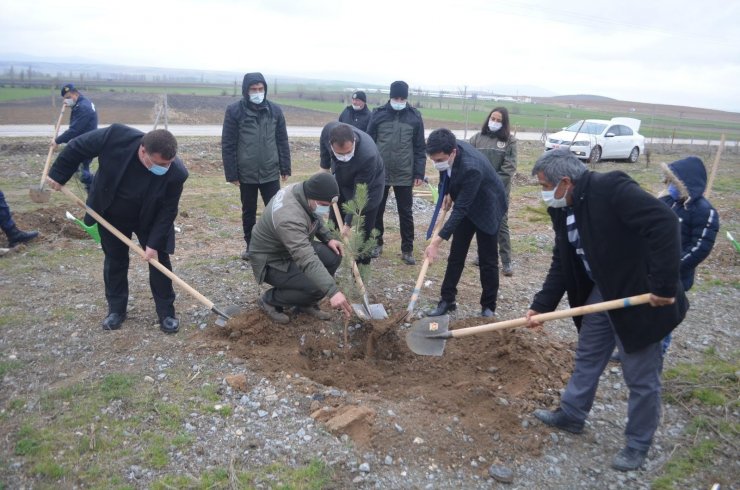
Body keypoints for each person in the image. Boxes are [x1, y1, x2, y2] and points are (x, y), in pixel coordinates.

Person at [526, 149, 688, 471]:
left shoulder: (610, 188)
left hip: (639, 293)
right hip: (604, 291)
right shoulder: (563, 209)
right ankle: (572, 415)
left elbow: (665, 222)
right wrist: (540, 306)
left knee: (640, 373)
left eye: (545, 184)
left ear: (566, 182)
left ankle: (638, 443)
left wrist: (663, 285)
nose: (543, 191)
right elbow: (563, 261)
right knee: (588, 352)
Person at [47, 124, 188, 334]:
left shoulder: (176, 172)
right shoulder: (116, 136)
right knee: (115, 259)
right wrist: (58, 174)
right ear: (143, 151)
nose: (165, 168)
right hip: (110, 212)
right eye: (159, 164)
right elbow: (77, 147)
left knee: (160, 261)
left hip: (150, 217)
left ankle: (166, 313)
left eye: (168, 163)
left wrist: (153, 244)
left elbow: (168, 211)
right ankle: (116, 310)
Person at [248, 173, 353, 324]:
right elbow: (306, 258)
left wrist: (328, 238)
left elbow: (313, 216)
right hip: (271, 260)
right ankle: (270, 300)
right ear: (313, 197)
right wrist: (332, 291)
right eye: (324, 206)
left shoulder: (303, 192)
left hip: (288, 247)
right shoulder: (288, 217)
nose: (326, 211)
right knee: (317, 286)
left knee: (333, 255)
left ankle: (305, 302)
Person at [423, 128, 507, 318]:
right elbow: (446, 174)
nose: (437, 164)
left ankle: (488, 307)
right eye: (433, 160)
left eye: (439, 160)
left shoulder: (472, 167)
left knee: (488, 260)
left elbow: (460, 209)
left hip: (488, 206)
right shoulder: (450, 148)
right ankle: (447, 301)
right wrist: (446, 192)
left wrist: (437, 241)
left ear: (452, 152)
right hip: (466, 199)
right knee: (456, 256)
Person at [222, 72, 291, 261]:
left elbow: (282, 140)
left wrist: (285, 166)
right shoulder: (234, 111)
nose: (257, 92)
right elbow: (228, 143)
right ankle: (251, 245)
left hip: (270, 171)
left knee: (275, 210)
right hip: (247, 173)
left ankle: (276, 244)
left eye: (261, 89)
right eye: (253, 89)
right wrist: (232, 173)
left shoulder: (275, 111)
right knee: (249, 210)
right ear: (246, 90)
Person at [658, 156, 719, 352]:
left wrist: (672, 267)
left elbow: (699, 248)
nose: (670, 186)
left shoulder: (704, 211)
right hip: (654, 270)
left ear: (685, 183)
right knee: (646, 312)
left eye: (673, 182)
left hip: (676, 276)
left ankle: (658, 351)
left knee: (664, 316)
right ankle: (638, 351)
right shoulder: (669, 202)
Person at [366, 80, 425, 265]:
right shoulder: (378, 115)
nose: (399, 101)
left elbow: (419, 147)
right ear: (390, 97)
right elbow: (368, 143)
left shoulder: (415, 117)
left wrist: (418, 173)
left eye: (402, 98)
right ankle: (376, 243)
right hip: (380, 173)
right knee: (377, 210)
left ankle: (407, 249)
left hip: (404, 174)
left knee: (405, 212)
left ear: (406, 98)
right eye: (396, 97)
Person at [319, 122, 385, 263]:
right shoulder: (327, 131)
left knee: (363, 231)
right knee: (334, 225)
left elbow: (359, 193)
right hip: (342, 181)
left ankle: (361, 269)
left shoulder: (368, 155)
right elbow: (325, 160)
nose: (344, 156)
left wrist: (348, 224)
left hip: (369, 189)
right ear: (331, 144)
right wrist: (324, 175)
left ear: (354, 141)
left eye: (348, 152)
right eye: (339, 153)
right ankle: (331, 263)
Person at [469, 106, 517, 276]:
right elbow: (469, 160)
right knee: (480, 221)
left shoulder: (509, 141)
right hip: (479, 189)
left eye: (498, 120)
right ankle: (481, 255)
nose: (494, 122)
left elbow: (509, 167)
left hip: (499, 191)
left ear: (504, 123)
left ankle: (506, 262)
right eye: (492, 118)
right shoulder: (476, 139)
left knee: (501, 223)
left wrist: (493, 184)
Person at [53, 83, 98, 192]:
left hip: (86, 145)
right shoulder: (82, 103)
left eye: (68, 98)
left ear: (75, 94)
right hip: (85, 142)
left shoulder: (82, 107)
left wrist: (57, 140)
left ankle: (96, 188)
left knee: (81, 173)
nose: (66, 101)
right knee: (80, 170)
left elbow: (74, 130)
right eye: (65, 99)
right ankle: (92, 194)